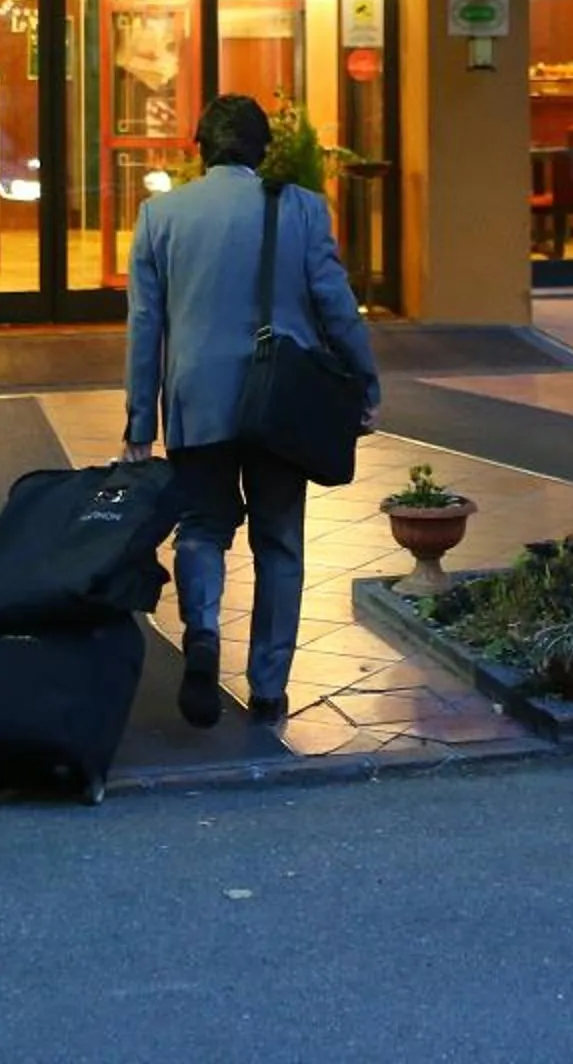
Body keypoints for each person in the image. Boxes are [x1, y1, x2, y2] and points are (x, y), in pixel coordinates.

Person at [122, 93, 379, 729]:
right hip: (281, 405)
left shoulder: (160, 217)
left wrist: (138, 425)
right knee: (279, 540)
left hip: (196, 402)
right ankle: (268, 688)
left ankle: (203, 632)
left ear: (198, 150)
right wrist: (365, 385)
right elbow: (336, 305)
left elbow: (144, 327)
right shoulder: (300, 209)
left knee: (203, 528)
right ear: (264, 150)